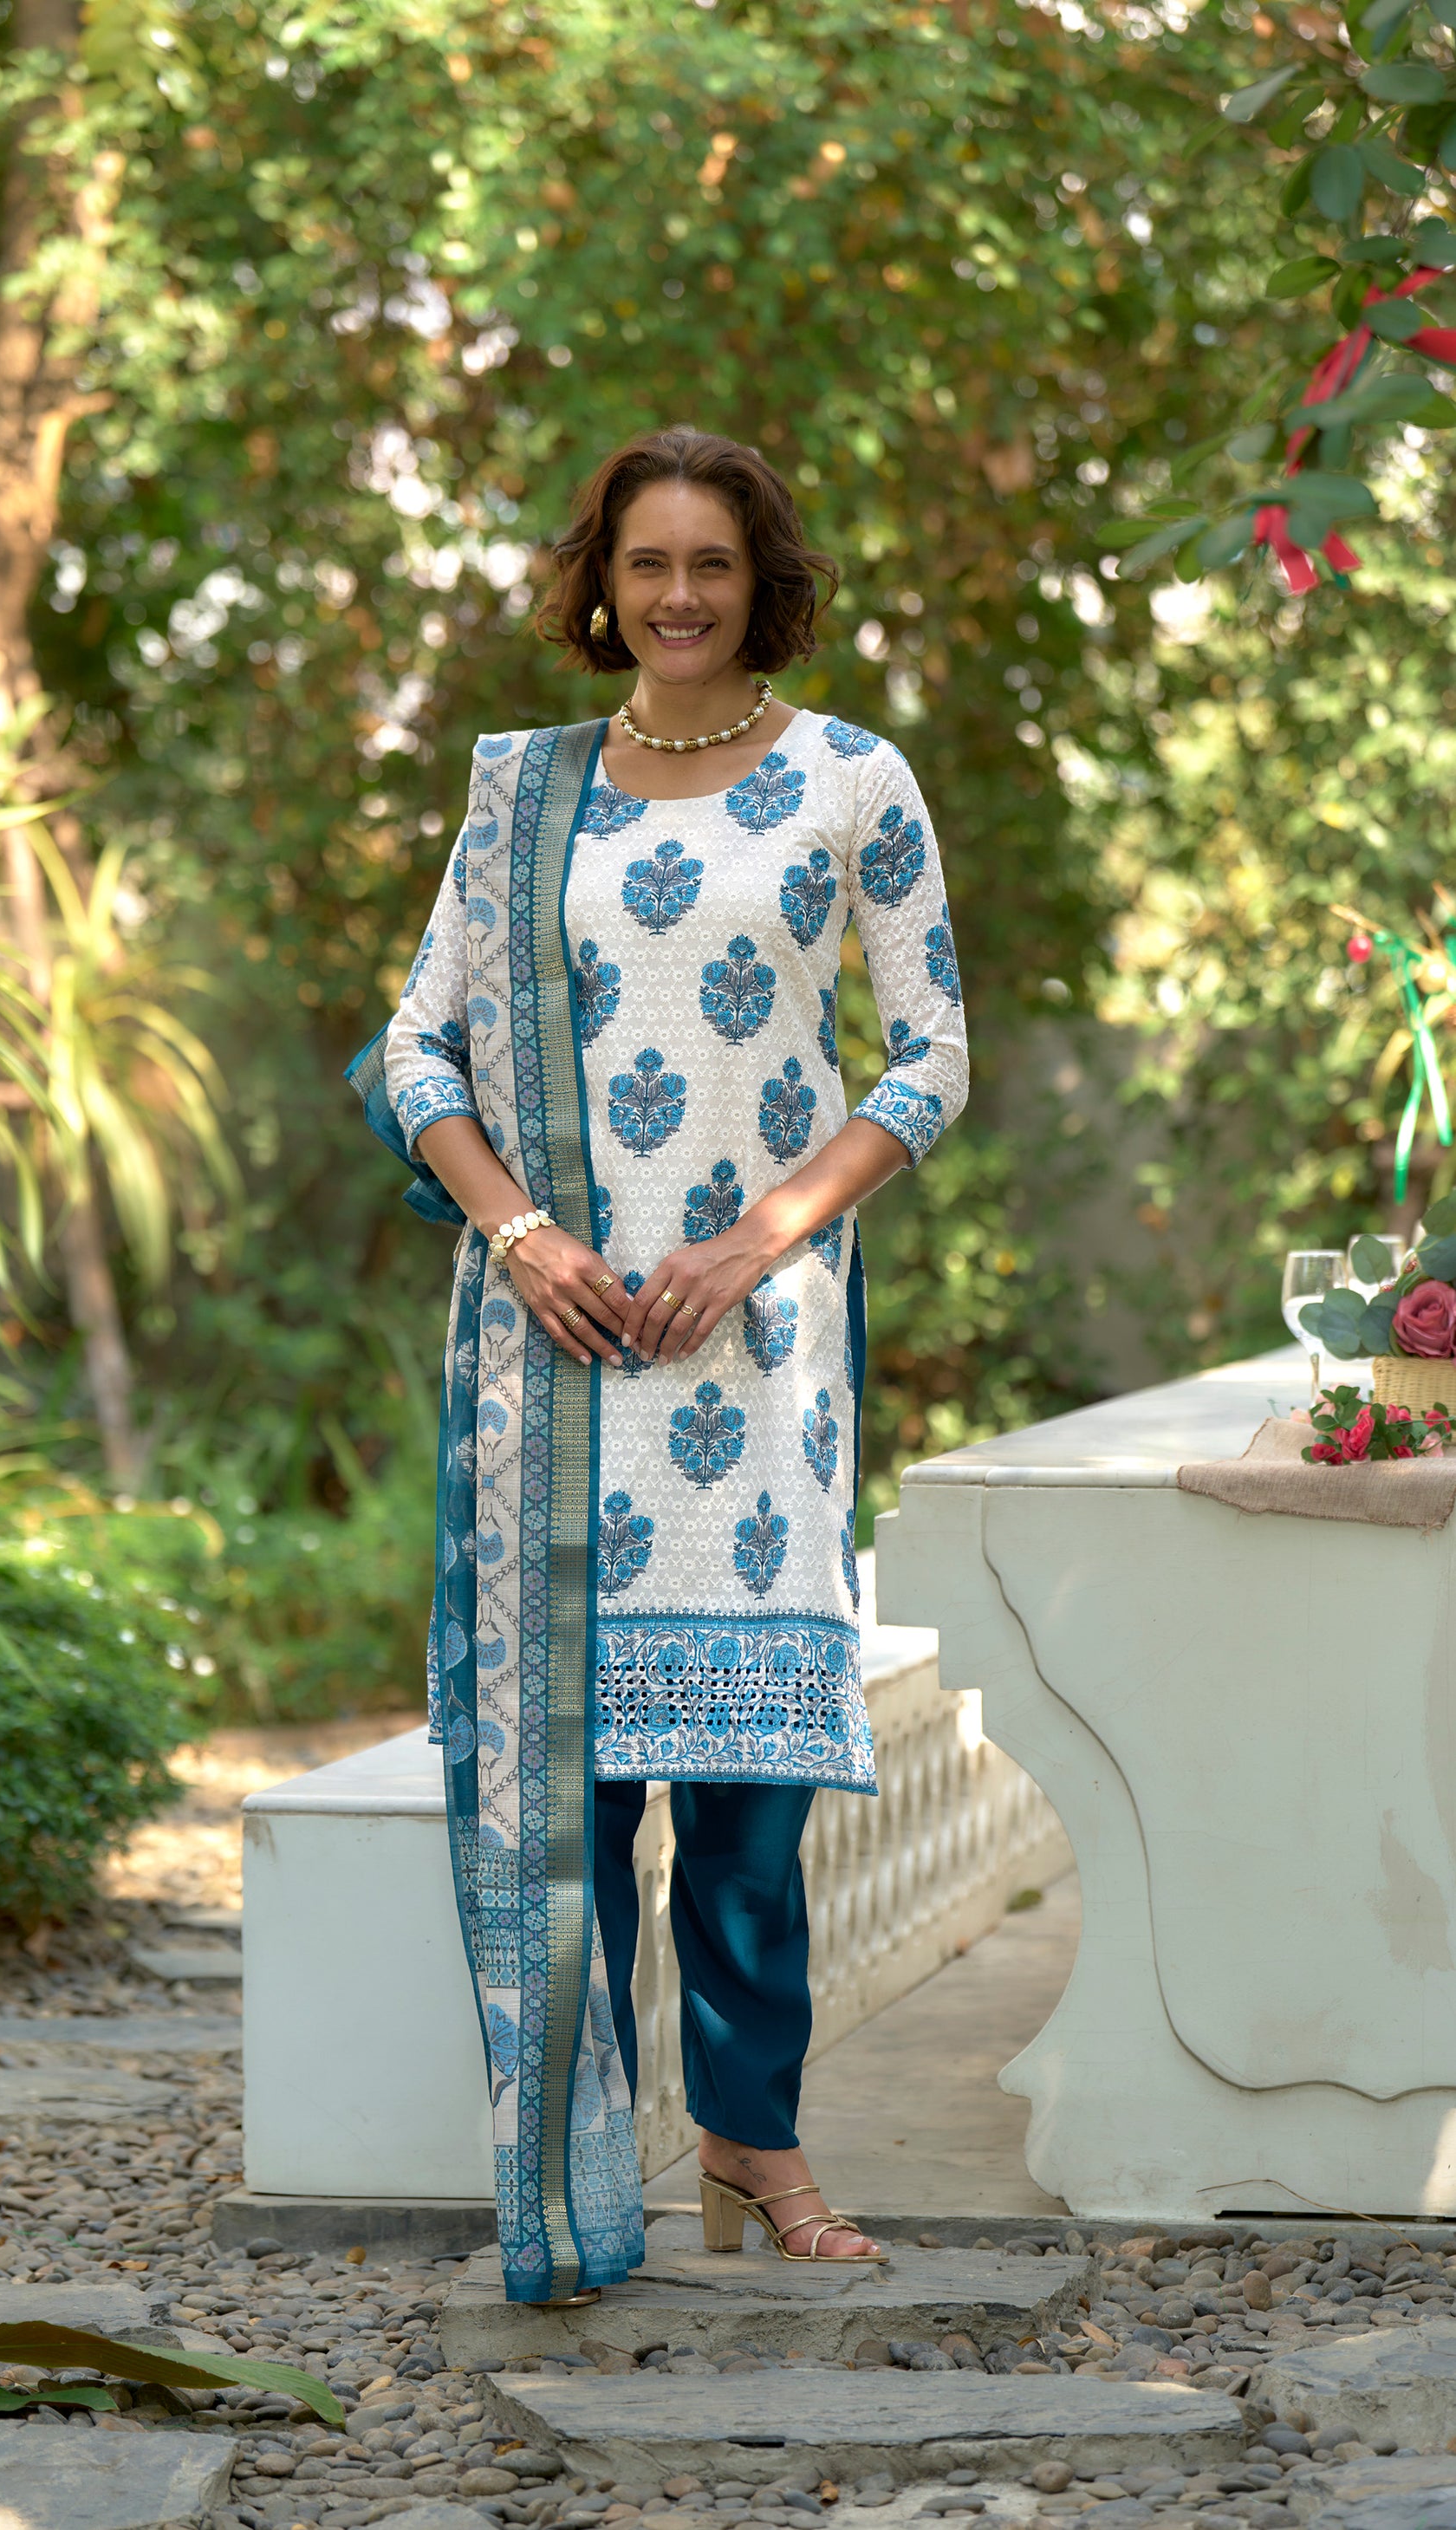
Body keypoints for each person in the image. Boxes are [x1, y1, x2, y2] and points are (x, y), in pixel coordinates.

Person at [348, 425, 968, 2306]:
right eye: (646, 563)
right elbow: (416, 1050)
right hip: (553, 1355)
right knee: (574, 1801)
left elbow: (931, 1060)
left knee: (748, 1803)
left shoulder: (850, 779)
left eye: (710, 561)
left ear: (759, 578)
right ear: (601, 585)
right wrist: (519, 1235)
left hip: (756, 1354)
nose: (678, 595)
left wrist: (758, 1238)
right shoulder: (521, 796)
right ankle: (568, 2186)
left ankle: (752, 2146)